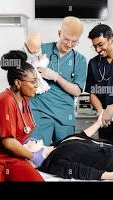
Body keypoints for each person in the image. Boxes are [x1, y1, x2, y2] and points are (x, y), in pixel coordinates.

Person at [0, 50, 45, 181]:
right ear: (18, 83)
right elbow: (8, 142)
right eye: (33, 82)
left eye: (36, 81)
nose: (36, 86)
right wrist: (33, 156)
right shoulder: (5, 100)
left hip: (13, 157)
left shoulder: (25, 99)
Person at [29, 16, 87, 146]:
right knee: (36, 154)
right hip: (40, 112)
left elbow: (77, 91)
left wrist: (56, 77)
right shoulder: (42, 50)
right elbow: (23, 72)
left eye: (74, 42)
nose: (69, 44)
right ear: (59, 33)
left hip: (64, 116)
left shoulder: (80, 60)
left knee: (65, 155)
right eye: (66, 39)